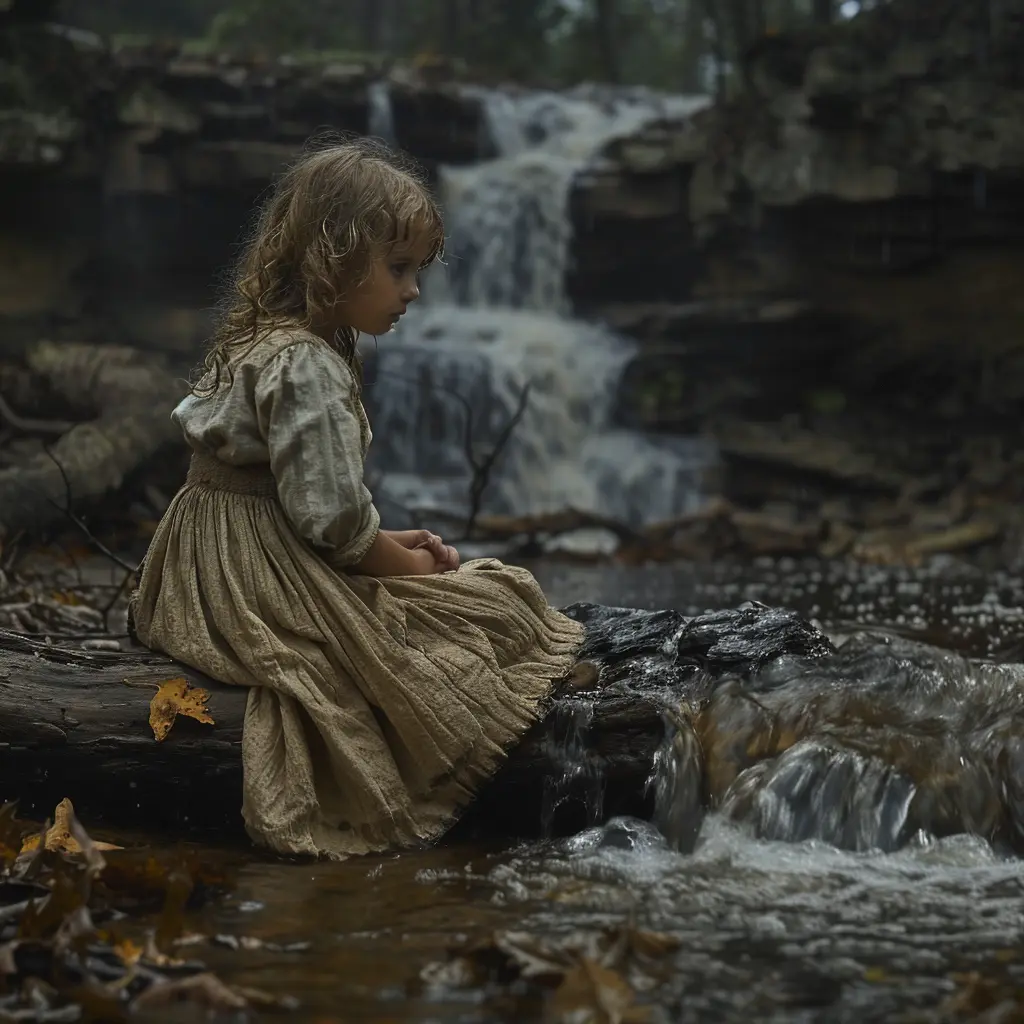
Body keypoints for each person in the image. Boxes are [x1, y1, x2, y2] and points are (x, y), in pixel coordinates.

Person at [128, 137, 584, 859]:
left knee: (460, 598)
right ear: (331, 260)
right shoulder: (307, 363)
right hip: (254, 577)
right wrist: (410, 571)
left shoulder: (265, 337)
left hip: (202, 557)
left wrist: (390, 540)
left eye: (419, 270)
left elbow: (307, 502)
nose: (414, 290)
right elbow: (329, 523)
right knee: (492, 605)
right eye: (398, 268)